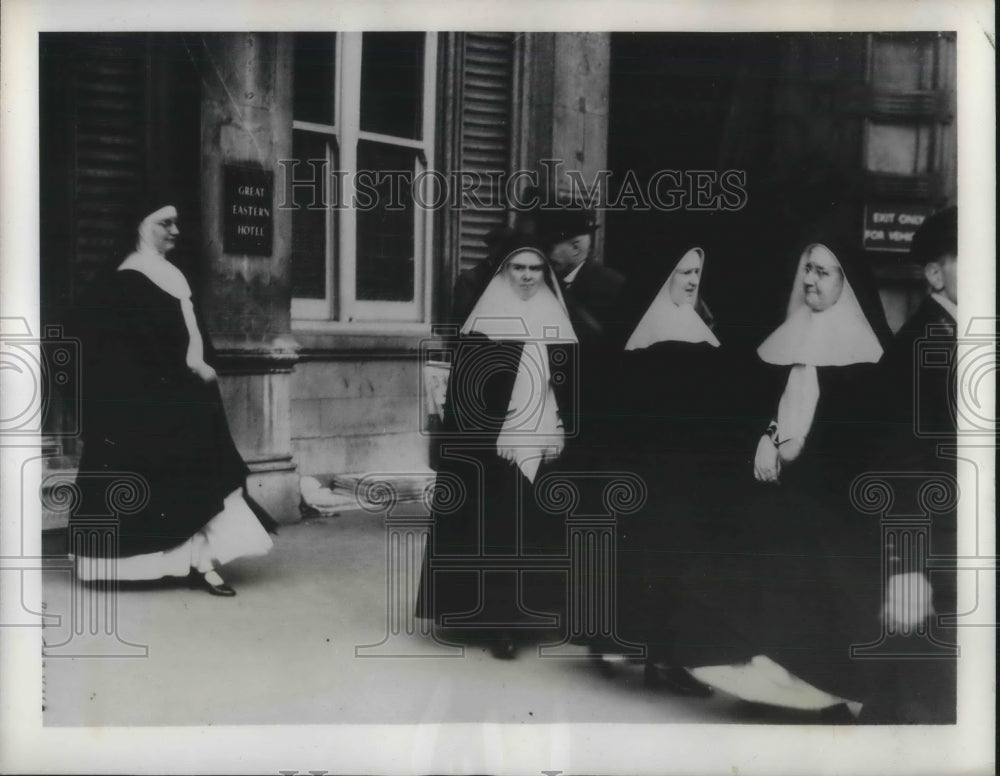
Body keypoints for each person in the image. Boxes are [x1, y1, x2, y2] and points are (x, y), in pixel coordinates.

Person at [671, 211, 897, 718]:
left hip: (832, 502)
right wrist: (766, 439)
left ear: (847, 282)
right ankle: (767, 688)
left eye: (824, 271)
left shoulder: (870, 359)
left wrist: (802, 459)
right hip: (777, 489)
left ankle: (815, 693)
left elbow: (863, 445)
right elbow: (764, 410)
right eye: (808, 270)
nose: (812, 280)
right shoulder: (782, 340)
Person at [72, 195, 276, 596]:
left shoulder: (170, 274)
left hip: (184, 394)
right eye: (165, 223)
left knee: (197, 479)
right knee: (167, 483)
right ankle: (155, 567)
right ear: (140, 226)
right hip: (146, 405)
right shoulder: (124, 280)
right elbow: (119, 353)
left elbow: (191, 333)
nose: (175, 231)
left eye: (177, 223)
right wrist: (181, 373)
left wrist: (201, 368)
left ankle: (202, 563)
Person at [415, 237, 578, 660]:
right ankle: (500, 624)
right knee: (501, 532)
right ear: (504, 272)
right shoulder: (483, 324)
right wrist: (496, 435)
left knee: (537, 529)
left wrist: (560, 429)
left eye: (535, 269)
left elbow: (565, 389)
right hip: (496, 444)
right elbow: (467, 398)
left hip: (545, 437)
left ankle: (537, 613)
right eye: (518, 268)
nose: (527, 277)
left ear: (545, 274)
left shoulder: (557, 321)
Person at [612, 239, 741, 697]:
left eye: (696, 273)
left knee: (685, 563)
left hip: (693, 466)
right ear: (665, 275)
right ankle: (663, 659)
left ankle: (669, 656)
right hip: (664, 467)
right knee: (666, 560)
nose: (691, 280)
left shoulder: (693, 323)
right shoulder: (655, 331)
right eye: (683, 271)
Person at [858, 206, 959, 724]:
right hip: (940, 558)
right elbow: (899, 464)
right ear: (936, 274)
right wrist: (907, 568)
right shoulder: (922, 345)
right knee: (919, 711)